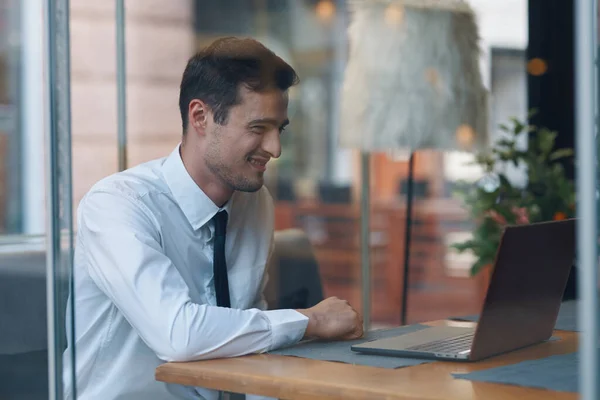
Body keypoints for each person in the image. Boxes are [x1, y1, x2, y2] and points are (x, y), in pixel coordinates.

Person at [62, 37, 363, 400]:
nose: (275, 148)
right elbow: (177, 334)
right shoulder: (118, 204)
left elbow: (250, 333)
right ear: (200, 117)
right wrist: (309, 321)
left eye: (279, 129)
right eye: (258, 128)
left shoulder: (255, 204)